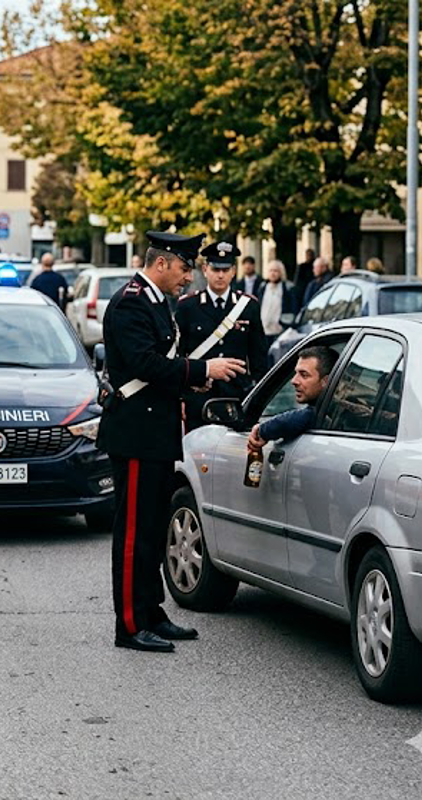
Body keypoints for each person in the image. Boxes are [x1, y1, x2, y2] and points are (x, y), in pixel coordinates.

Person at [98, 231, 246, 654]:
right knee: (133, 532)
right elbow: (145, 363)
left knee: (153, 528)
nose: (187, 279)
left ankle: (151, 612)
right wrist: (202, 371)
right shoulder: (130, 301)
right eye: (183, 268)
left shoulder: (155, 300)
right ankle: (129, 623)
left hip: (158, 431)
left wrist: (191, 386)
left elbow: (159, 367)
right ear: (161, 263)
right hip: (136, 433)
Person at [175, 241, 268, 431]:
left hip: (236, 395)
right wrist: (181, 397)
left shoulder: (248, 306)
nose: (220, 275)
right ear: (205, 269)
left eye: (225, 270)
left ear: (234, 271)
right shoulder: (187, 306)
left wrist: (257, 395)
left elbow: (258, 356)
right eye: (215, 269)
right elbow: (179, 353)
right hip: (199, 395)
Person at [247, 346, 337, 451]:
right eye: (296, 373)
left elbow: (308, 416)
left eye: (304, 375)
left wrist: (262, 430)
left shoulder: (332, 412)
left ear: (325, 381)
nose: (294, 381)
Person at [259, 259, 297, 339]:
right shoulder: (263, 287)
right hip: (263, 330)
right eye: (271, 271)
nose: (273, 273)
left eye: (276, 271)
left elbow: (293, 308)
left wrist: (284, 325)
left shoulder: (287, 288)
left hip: (279, 330)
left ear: (281, 272)